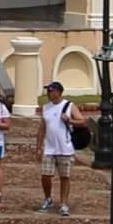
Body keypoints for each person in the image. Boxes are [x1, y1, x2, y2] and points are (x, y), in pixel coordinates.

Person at [36, 80, 77, 216]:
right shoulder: (46, 107)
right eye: (48, 91)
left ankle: (64, 203)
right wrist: (38, 147)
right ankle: (48, 198)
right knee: (46, 175)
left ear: (58, 92)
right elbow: (42, 128)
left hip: (64, 147)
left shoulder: (69, 106)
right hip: (49, 147)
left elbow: (82, 121)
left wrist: (69, 120)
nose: (48, 93)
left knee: (65, 176)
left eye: (51, 90)